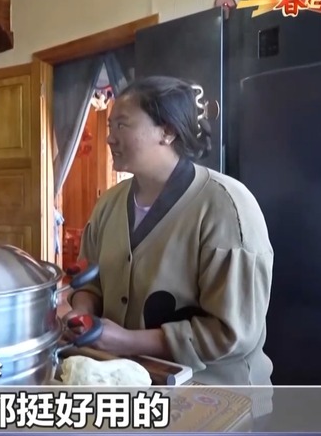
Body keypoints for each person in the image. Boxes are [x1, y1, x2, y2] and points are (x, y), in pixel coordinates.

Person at [65, 76, 274, 388]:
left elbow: (231, 333)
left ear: (167, 131)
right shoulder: (109, 203)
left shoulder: (226, 207)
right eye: (110, 126)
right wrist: (82, 315)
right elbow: (90, 281)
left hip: (215, 393)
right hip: (127, 382)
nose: (109, 138)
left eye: (122, 125)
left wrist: (126, 341)